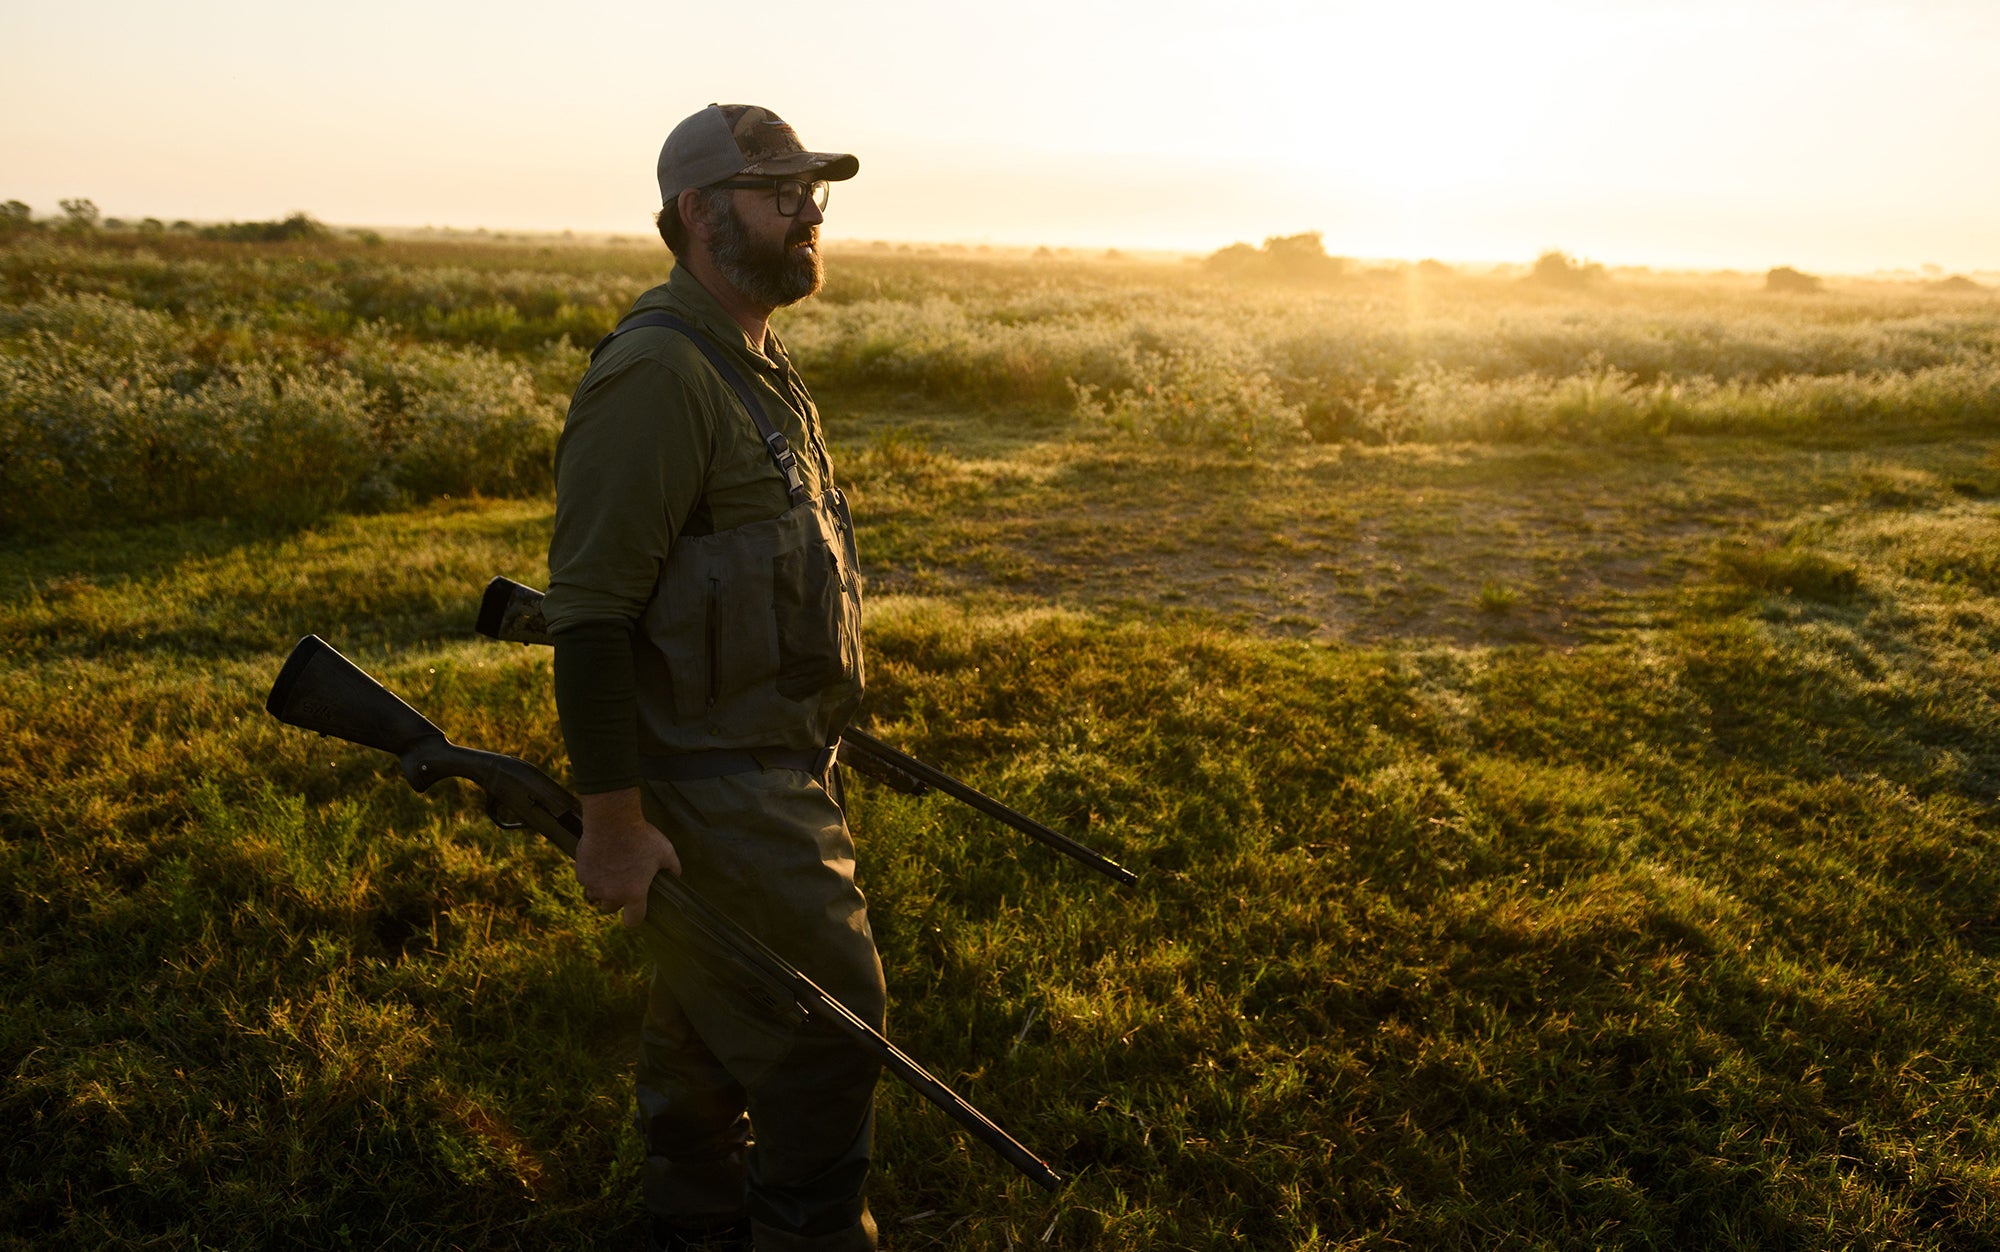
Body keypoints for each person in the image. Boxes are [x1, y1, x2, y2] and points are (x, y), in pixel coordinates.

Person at [542, 104, 881, 1252]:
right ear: (699, 213)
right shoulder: (656, 374)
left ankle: (688, 1221)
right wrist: (613, 825)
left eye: (812, 194)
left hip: (771, 759)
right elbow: (588, 619)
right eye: (779, 195)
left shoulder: (755, 359)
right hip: (717, 785)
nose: (808, 216)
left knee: (708, 1010)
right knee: (829, 1038)